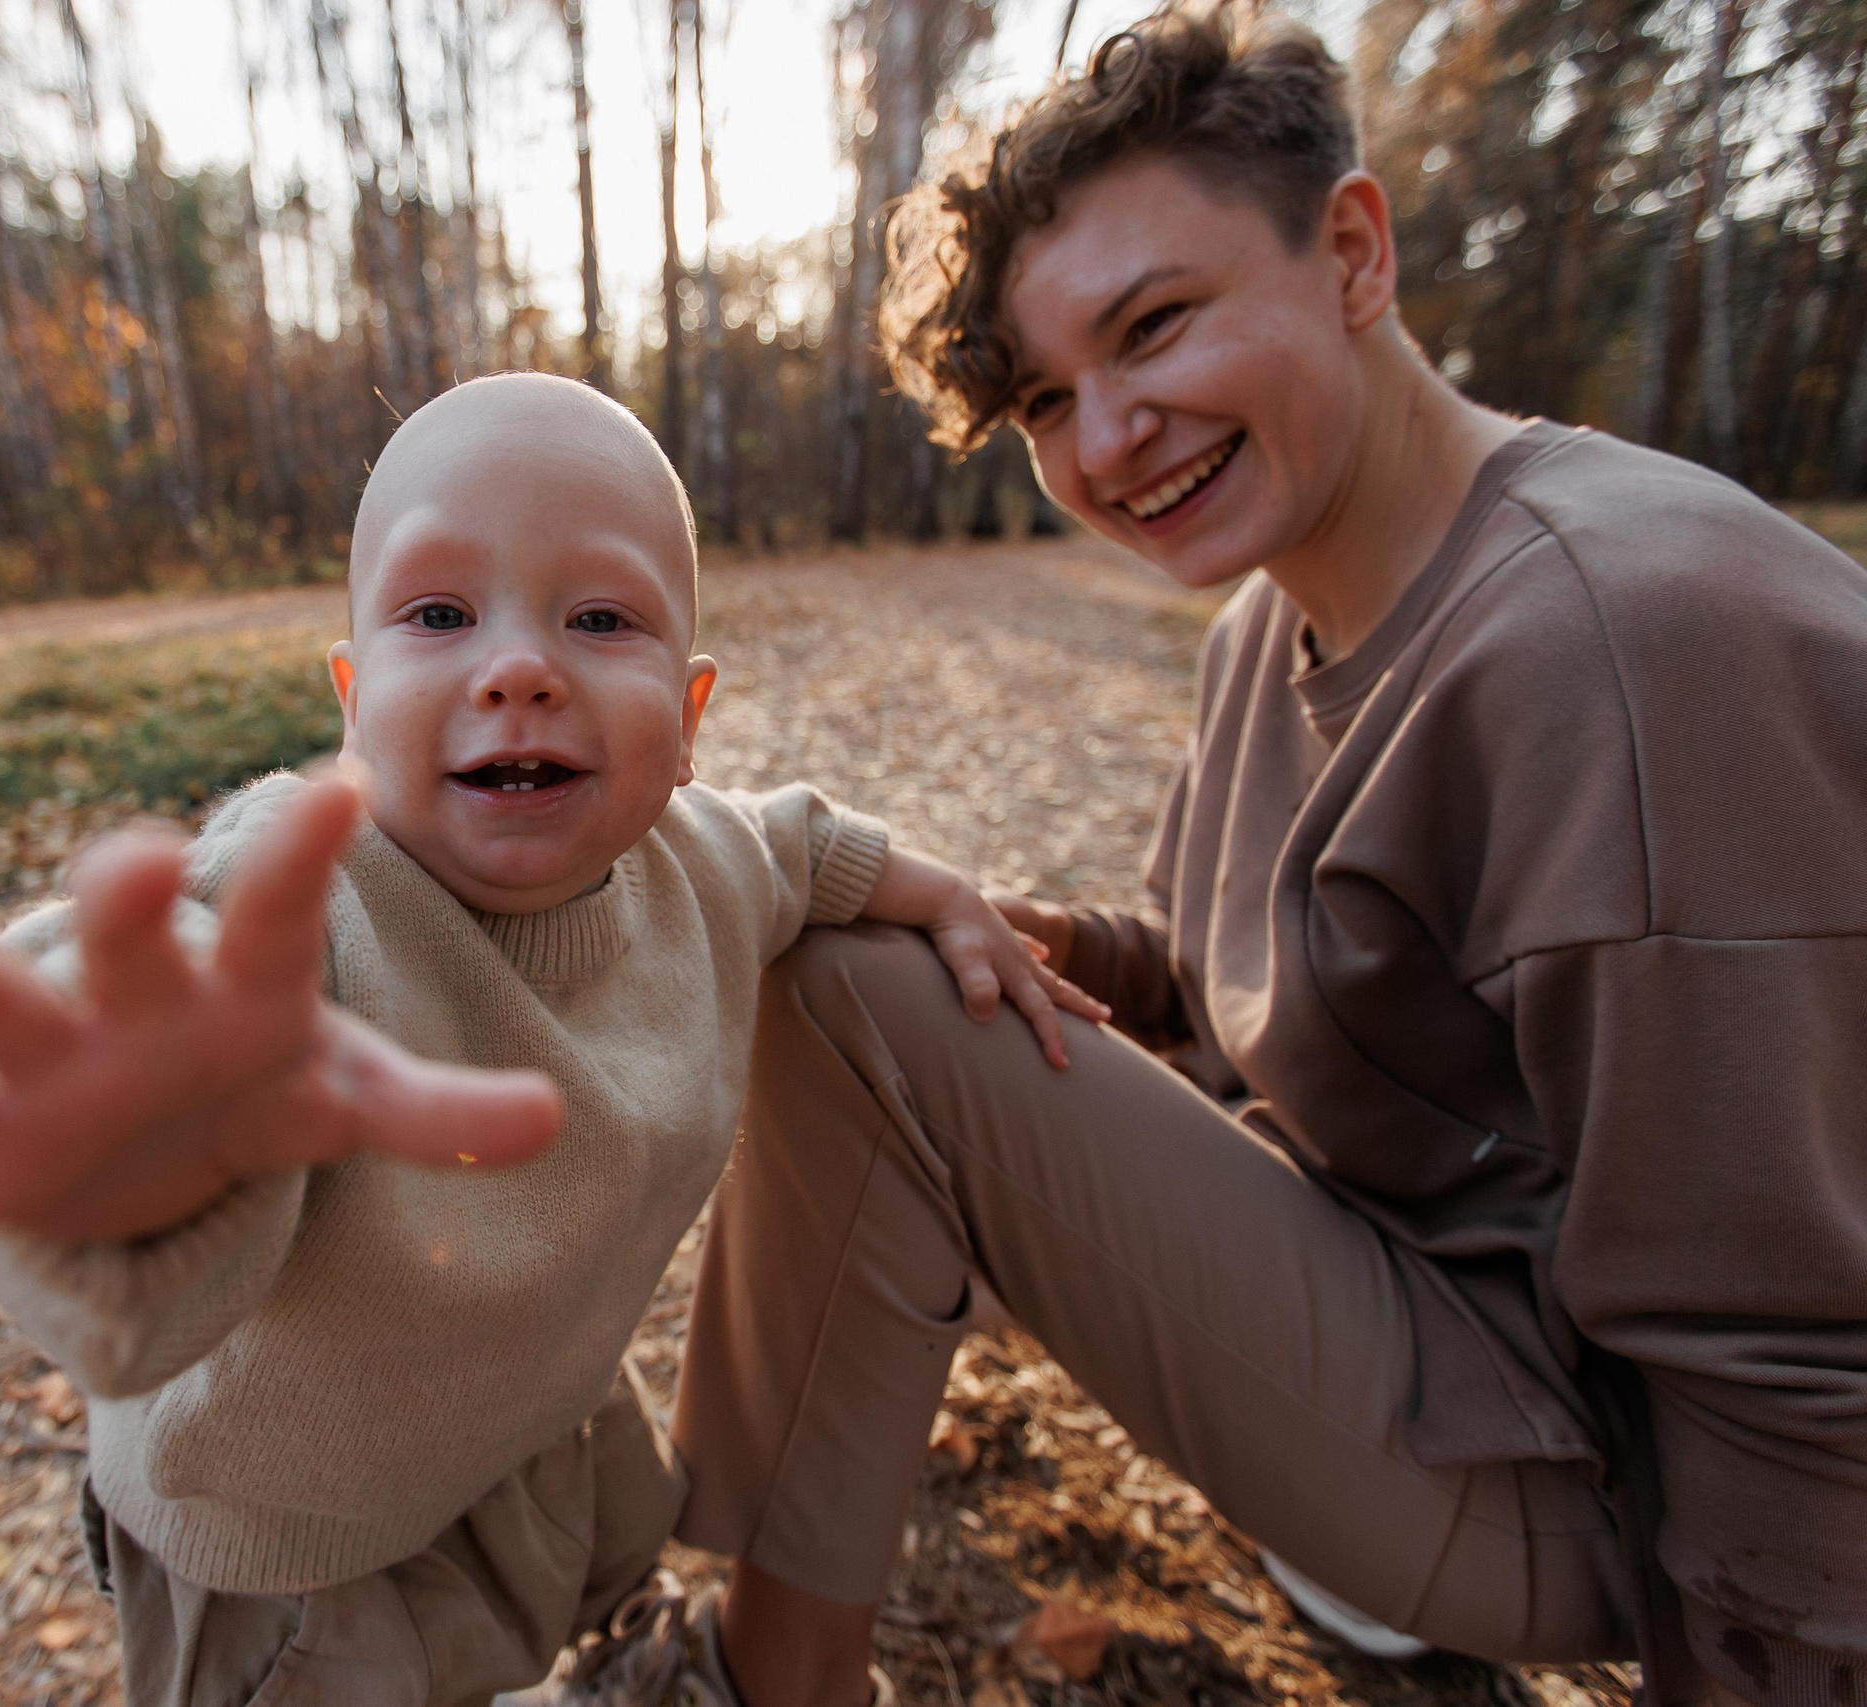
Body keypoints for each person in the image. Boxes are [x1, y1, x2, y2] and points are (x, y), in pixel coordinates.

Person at [644, 9, 1867, 1707]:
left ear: (1352, 251)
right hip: (1419, 1309)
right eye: (1051, 399)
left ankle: (759, 1687)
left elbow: (1794, 1350)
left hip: (1586, 1462)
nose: (1106, 443)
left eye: (1155, 327)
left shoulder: (1633, 644)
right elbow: (1246, 971)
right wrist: (1048, 941)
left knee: (862, 1002)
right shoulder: (1277, 604)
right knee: (880, 965)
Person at [0, 372, 1106, 1707]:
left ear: (690, 722)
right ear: (353, 704)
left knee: (513, 1642)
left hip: (506, 1426)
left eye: (599, 617)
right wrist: (113, 1117)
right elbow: (148, 978)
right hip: (289, 1556)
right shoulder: (303, 903)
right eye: (439, 614)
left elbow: (804, 843)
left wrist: (942, 897)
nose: (520, 667)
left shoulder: (697, 862)